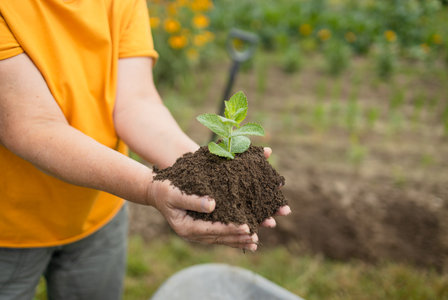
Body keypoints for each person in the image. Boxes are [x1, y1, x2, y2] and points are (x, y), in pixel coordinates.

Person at [0, 0, 290, 299]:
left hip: (99, 209)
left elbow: (135, 102)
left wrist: (203, 171)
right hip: (10, 227)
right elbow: (32, 124)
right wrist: (151, 189)